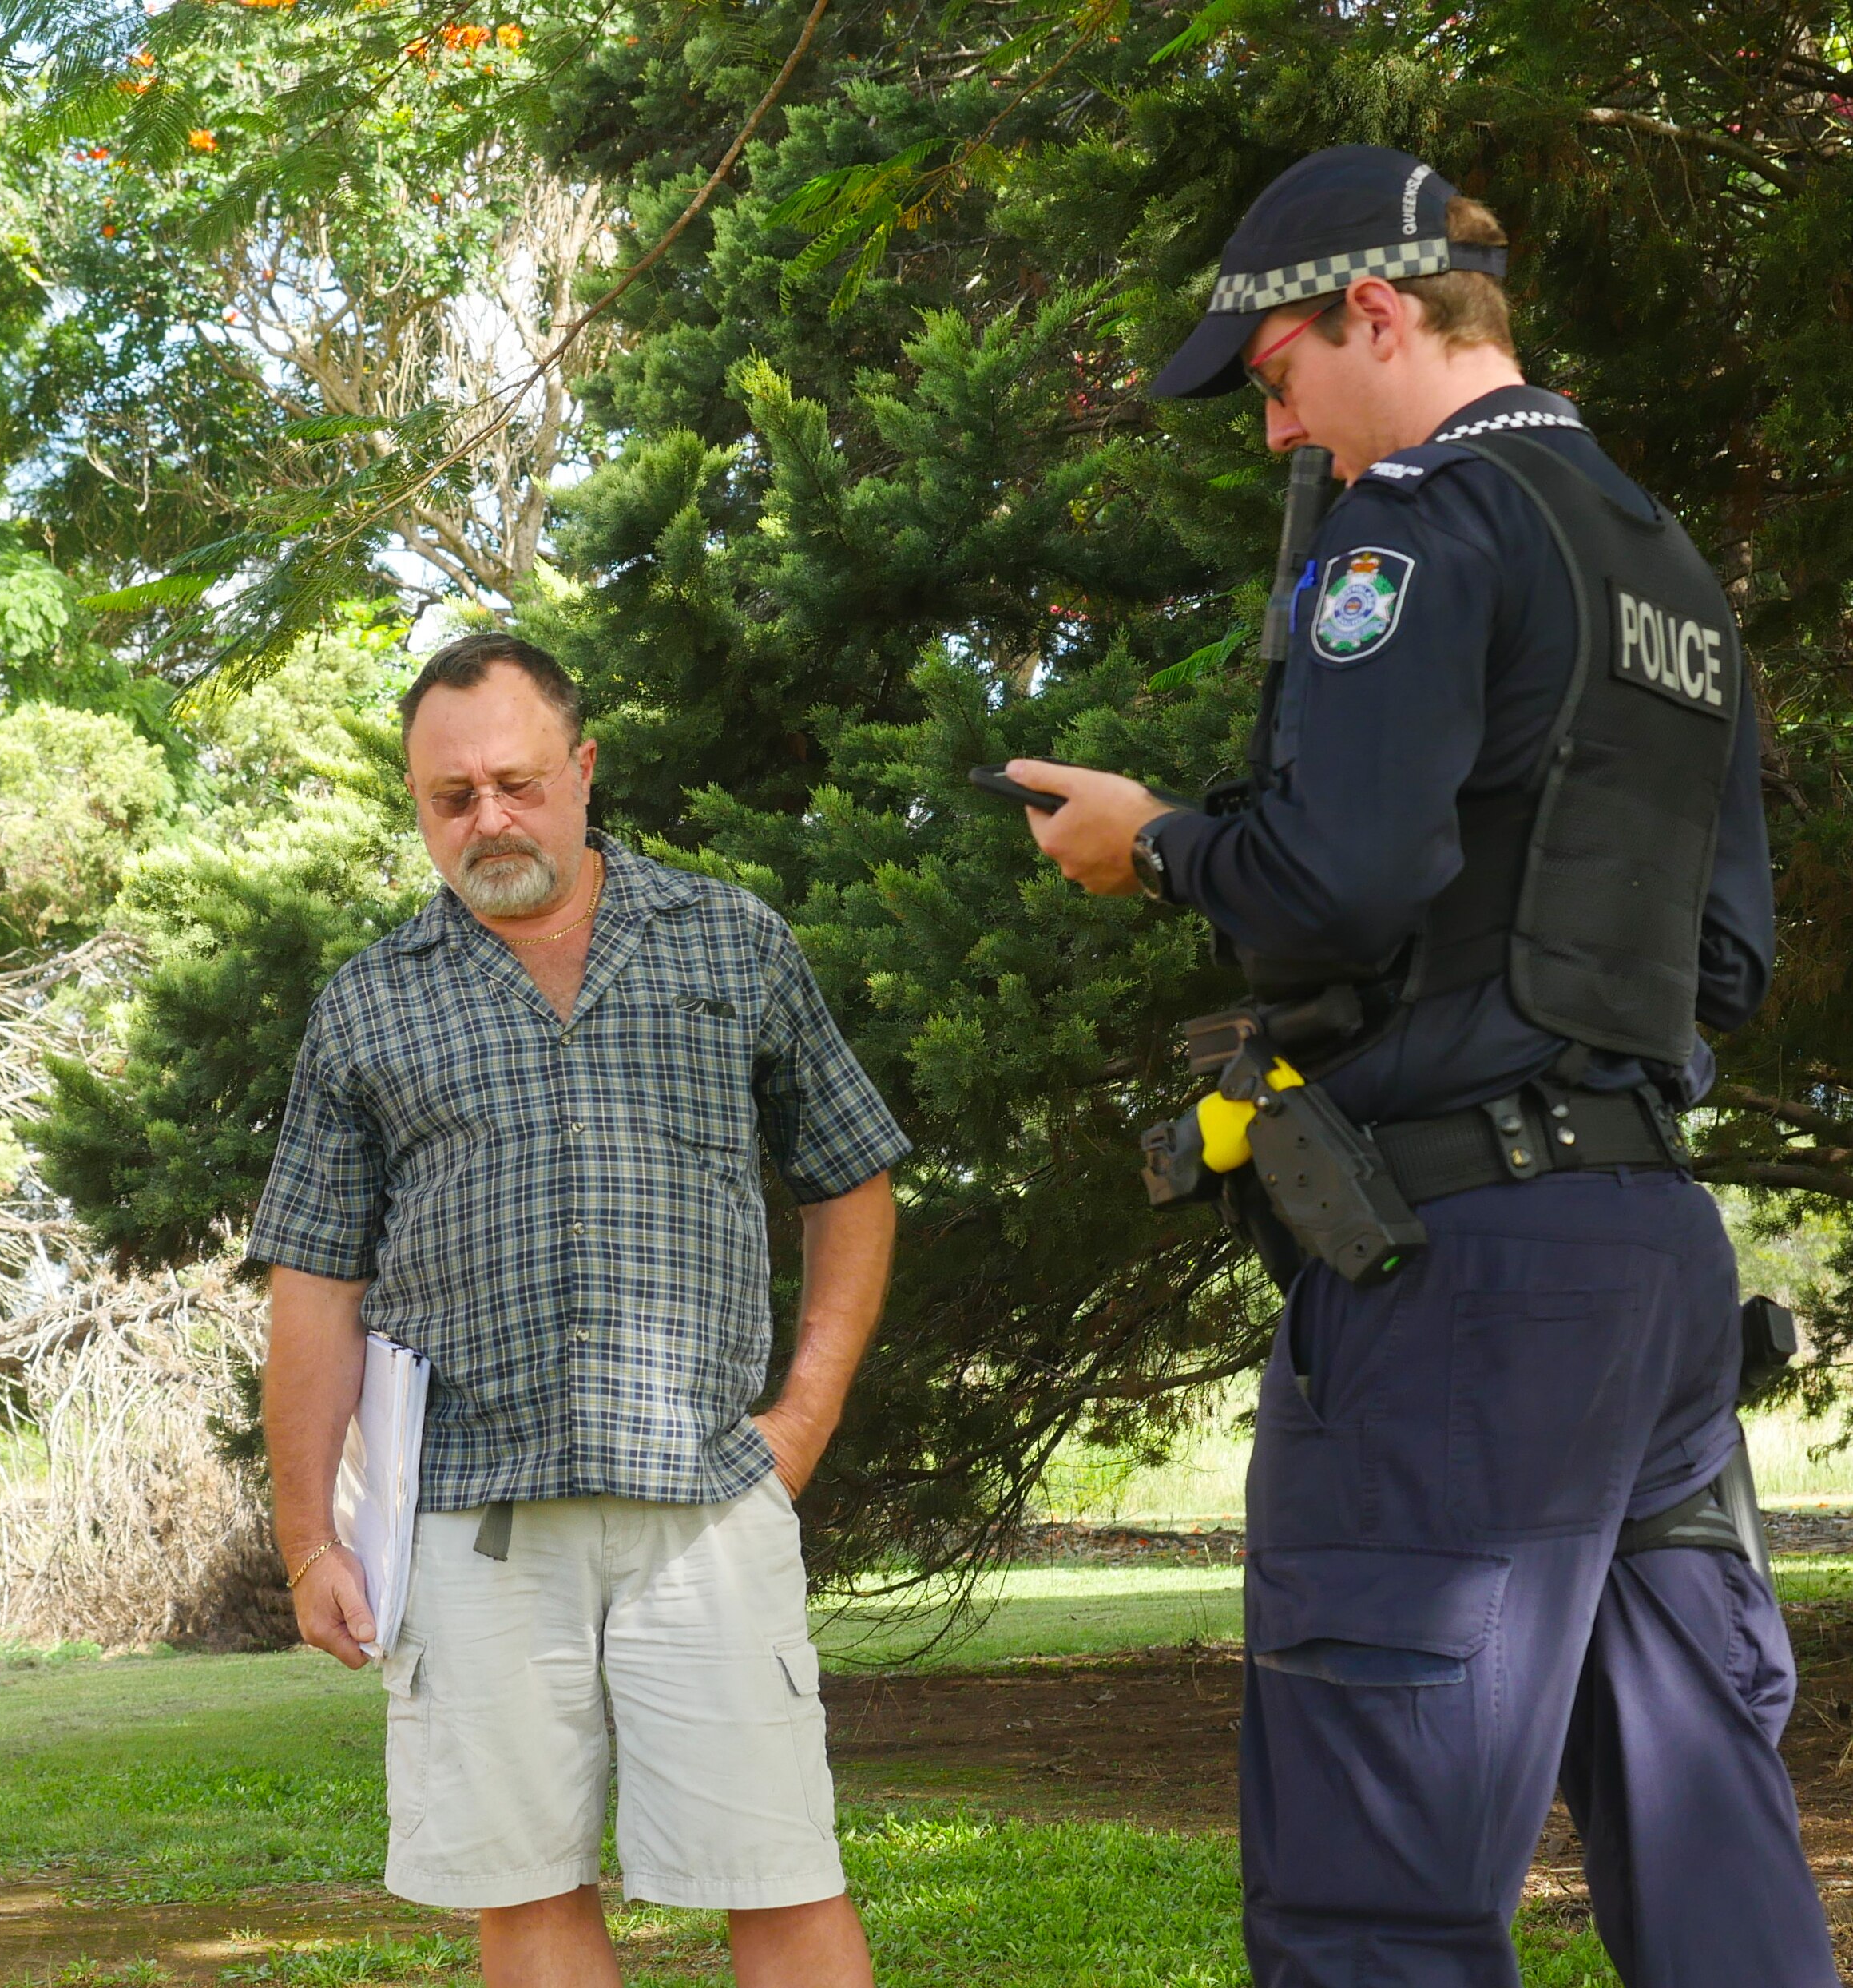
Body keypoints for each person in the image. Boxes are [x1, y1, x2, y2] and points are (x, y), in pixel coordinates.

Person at [1010, 146, 1835, 1986]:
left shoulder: (1419, 526)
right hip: (1651, 1271)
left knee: (1373, 1889)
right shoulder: (1664, 570)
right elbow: (1722, 962)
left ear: (1372, 310)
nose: (1277, 427)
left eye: (1277, 377)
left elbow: (1333, 886)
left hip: (1459, 1285)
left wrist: (1152, 844)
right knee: (1708, 1844)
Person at [250, 633, 907, 1988]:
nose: (488, 817)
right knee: (528, 1892)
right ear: (418, 805)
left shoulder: (733, 942)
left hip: (709, 1506)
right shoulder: (369, 1004)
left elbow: (853, 1174)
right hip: (470, 1525)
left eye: (517, 781)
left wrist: (806, 1413)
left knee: (780, 1876)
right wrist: (311, 1536)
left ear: (584, 769)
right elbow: (314, 1280)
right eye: (451, 796)